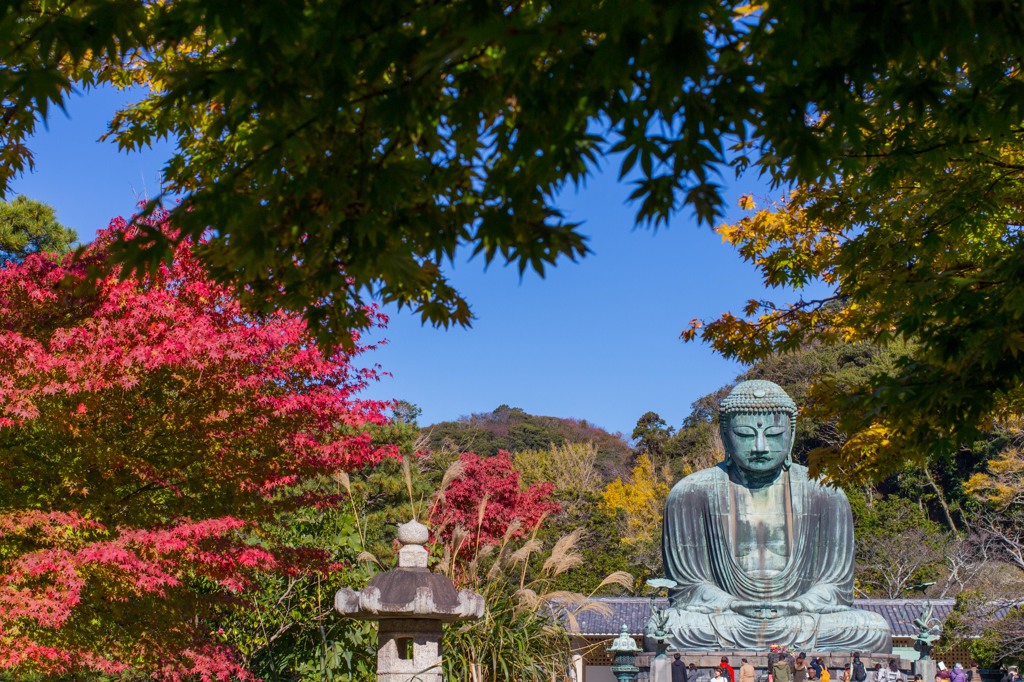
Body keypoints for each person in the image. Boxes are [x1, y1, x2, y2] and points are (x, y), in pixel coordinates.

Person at [648, 381, 893, 650]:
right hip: (728, 619)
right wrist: (731, 604)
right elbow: (688, 587)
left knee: (873, 628)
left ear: (791, 434)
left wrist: (799, 604)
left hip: (801, 617)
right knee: (665, 628)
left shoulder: (825, 492)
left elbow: (836, 587)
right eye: (745, 434)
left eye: (774, 434)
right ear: (725, 435)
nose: (760, 446)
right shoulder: (690, 493)